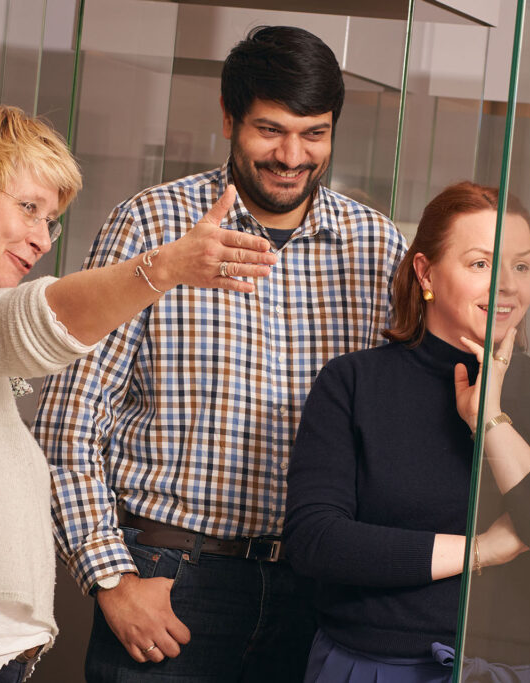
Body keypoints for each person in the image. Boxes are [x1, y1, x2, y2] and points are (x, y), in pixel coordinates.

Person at [0, 99, 276, 682]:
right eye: (29, 208)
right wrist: (163, 269)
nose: (42, 238)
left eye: (50, 220)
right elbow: (28, 321)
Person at [31, 25, 407, 682]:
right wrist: (112, 581)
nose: (293, 155)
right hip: (172, 579)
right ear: (229, 120)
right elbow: (68, 423)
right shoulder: (149, 224)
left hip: (317, 595)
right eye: (271, 130)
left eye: (314, 132)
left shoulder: (376, 248)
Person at [283, 181, 530, 682]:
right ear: (425, 272)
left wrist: (492, 423)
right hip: (371, 667)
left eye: (520, 266)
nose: (507, 285)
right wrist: (482, 550)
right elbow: (316, 541)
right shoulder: (353, 383)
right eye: (481, 263)